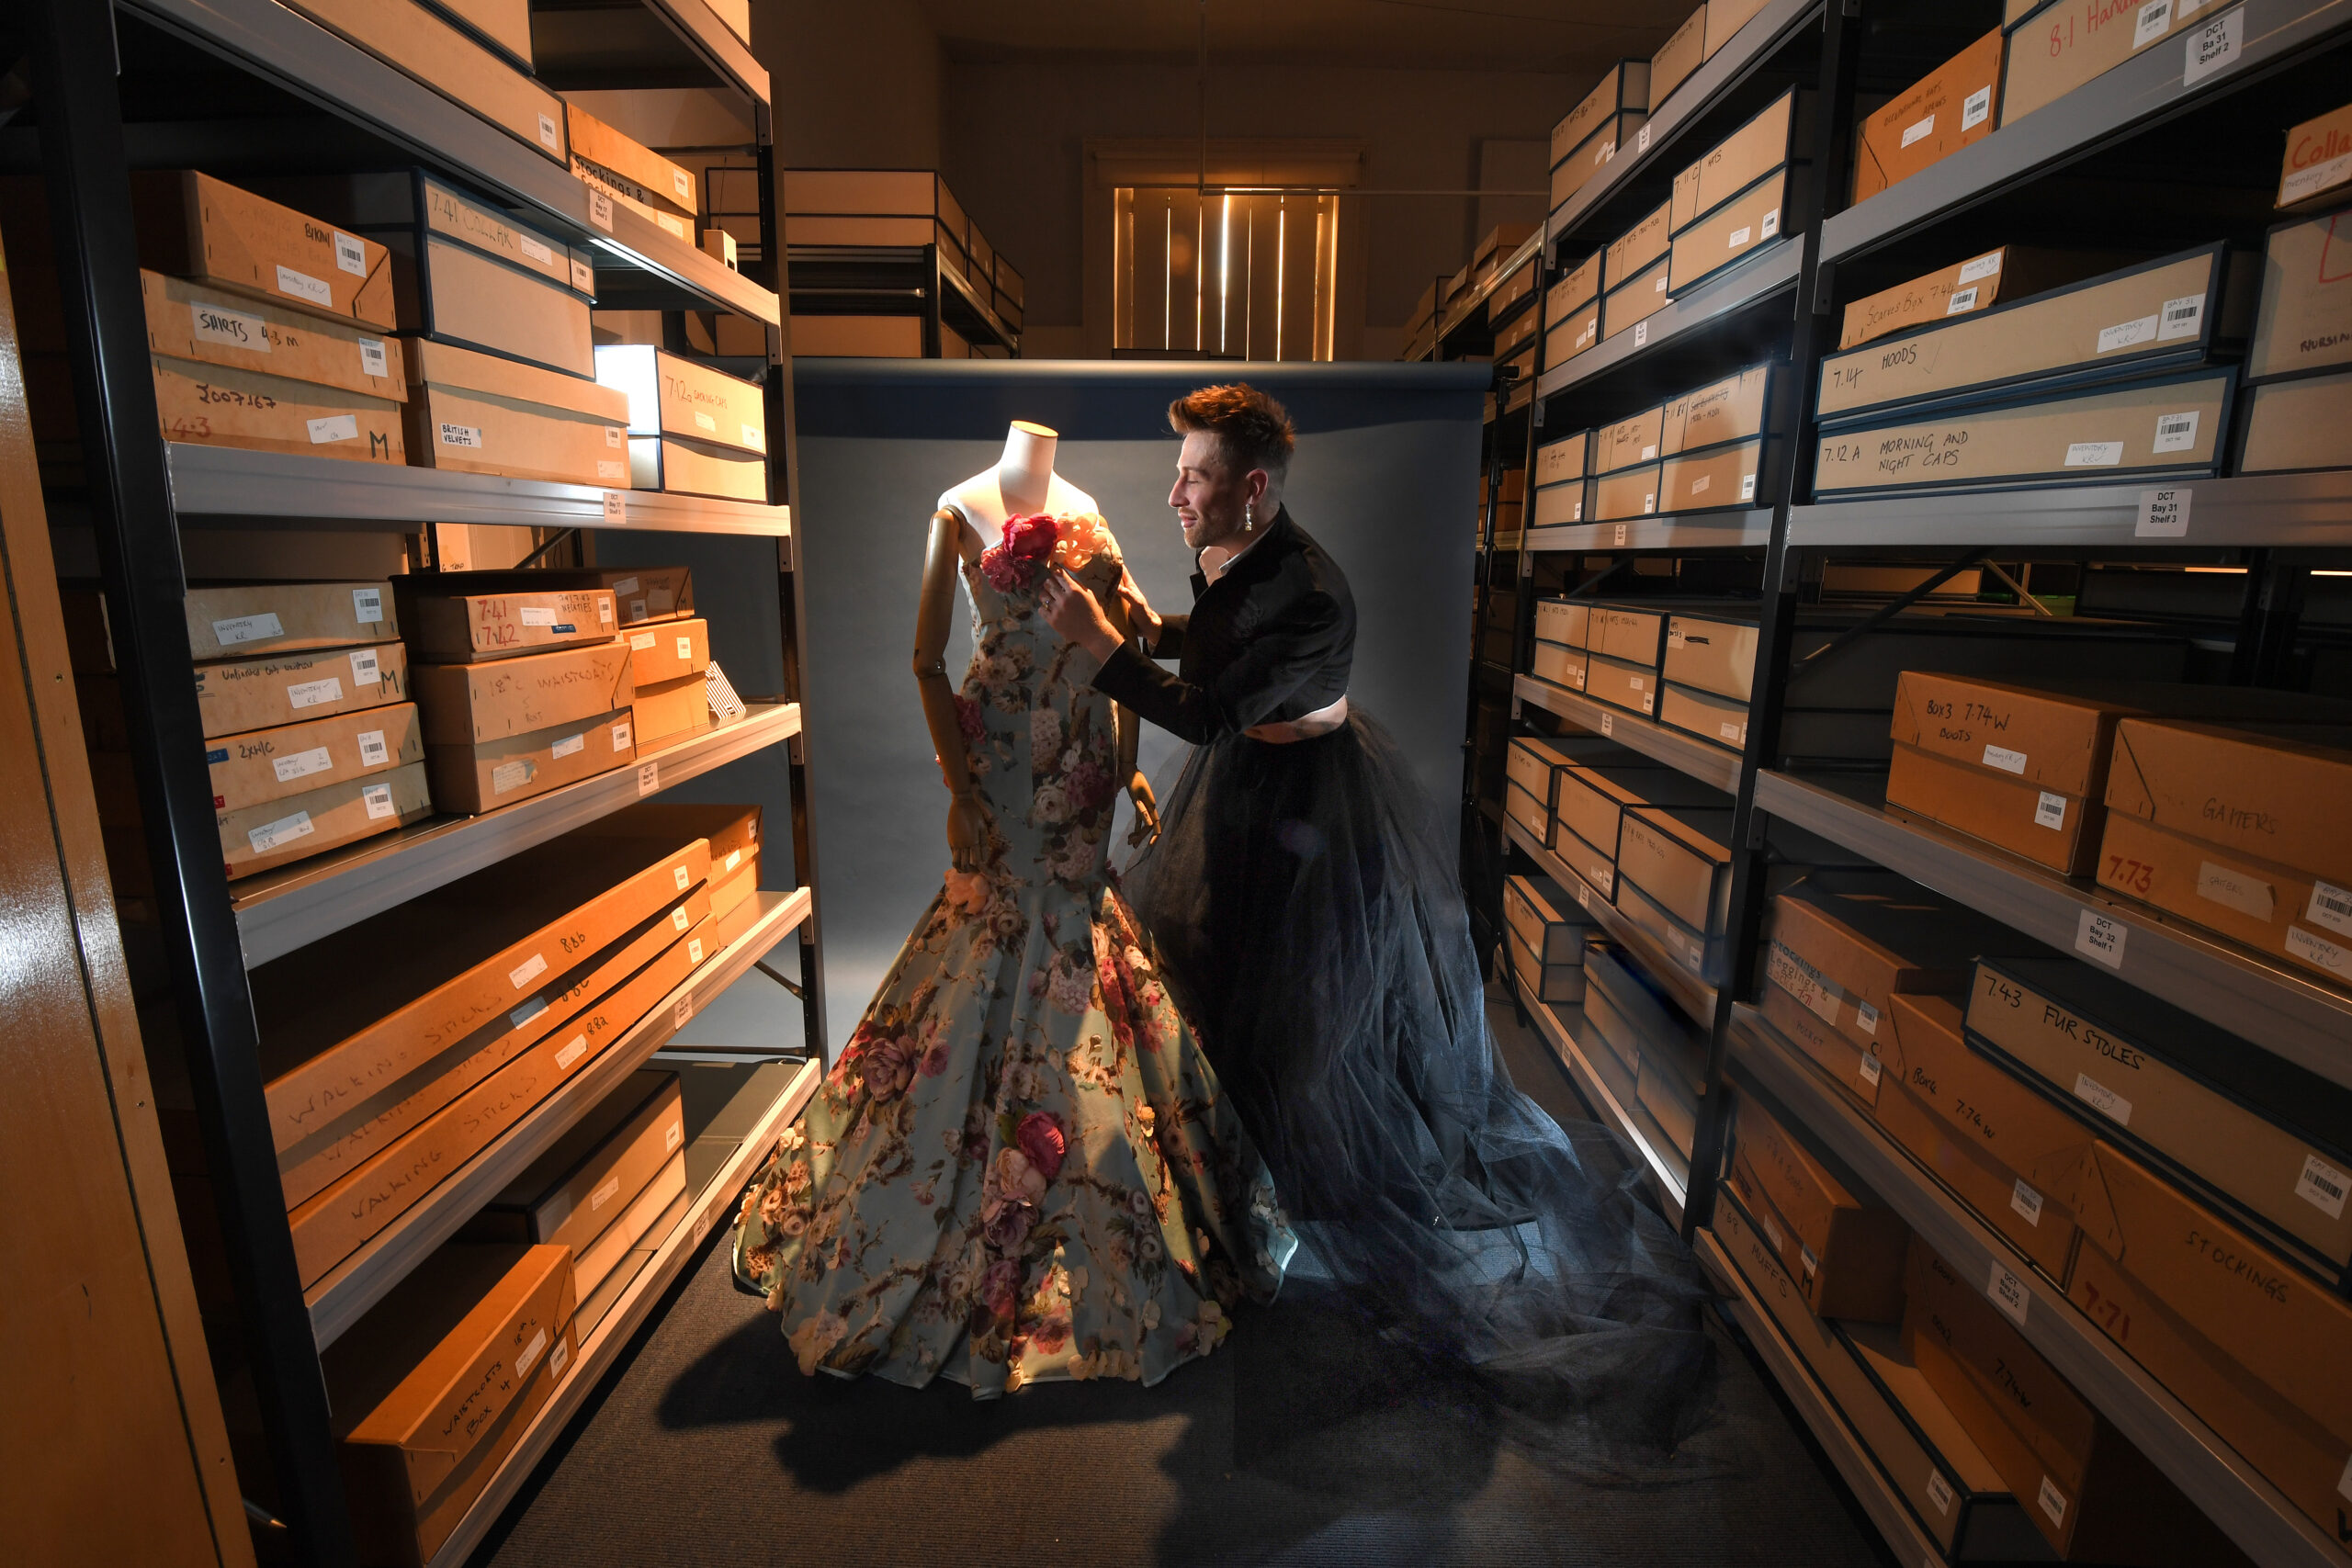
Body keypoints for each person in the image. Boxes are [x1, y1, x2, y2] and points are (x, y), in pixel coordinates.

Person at [1039, 384, 1715, 1455]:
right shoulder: (1242, 553)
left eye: (1195, 476)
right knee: (1213, 982)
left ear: (1251, 489)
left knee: (1302, 1021)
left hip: (1310, 808)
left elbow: (1212, 710)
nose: (1174, 493)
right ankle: (1228, 1205)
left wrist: (1096, 647)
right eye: (1179, 474)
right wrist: (1145, 625)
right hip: (1250, 790)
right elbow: (1217, 655)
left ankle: (1292, 1217)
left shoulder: (1308, 588)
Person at [730, 441, 1293, 1398]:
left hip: (1080, 758)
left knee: (1078, 936)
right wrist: (958, 788)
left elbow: (1110, 644)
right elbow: (922, 660)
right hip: (997, 758)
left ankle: (1087, 1173)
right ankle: (959, 1179)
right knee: (992, 933)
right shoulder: (958, 504)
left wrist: (1125, 768)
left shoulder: (1086, 507)